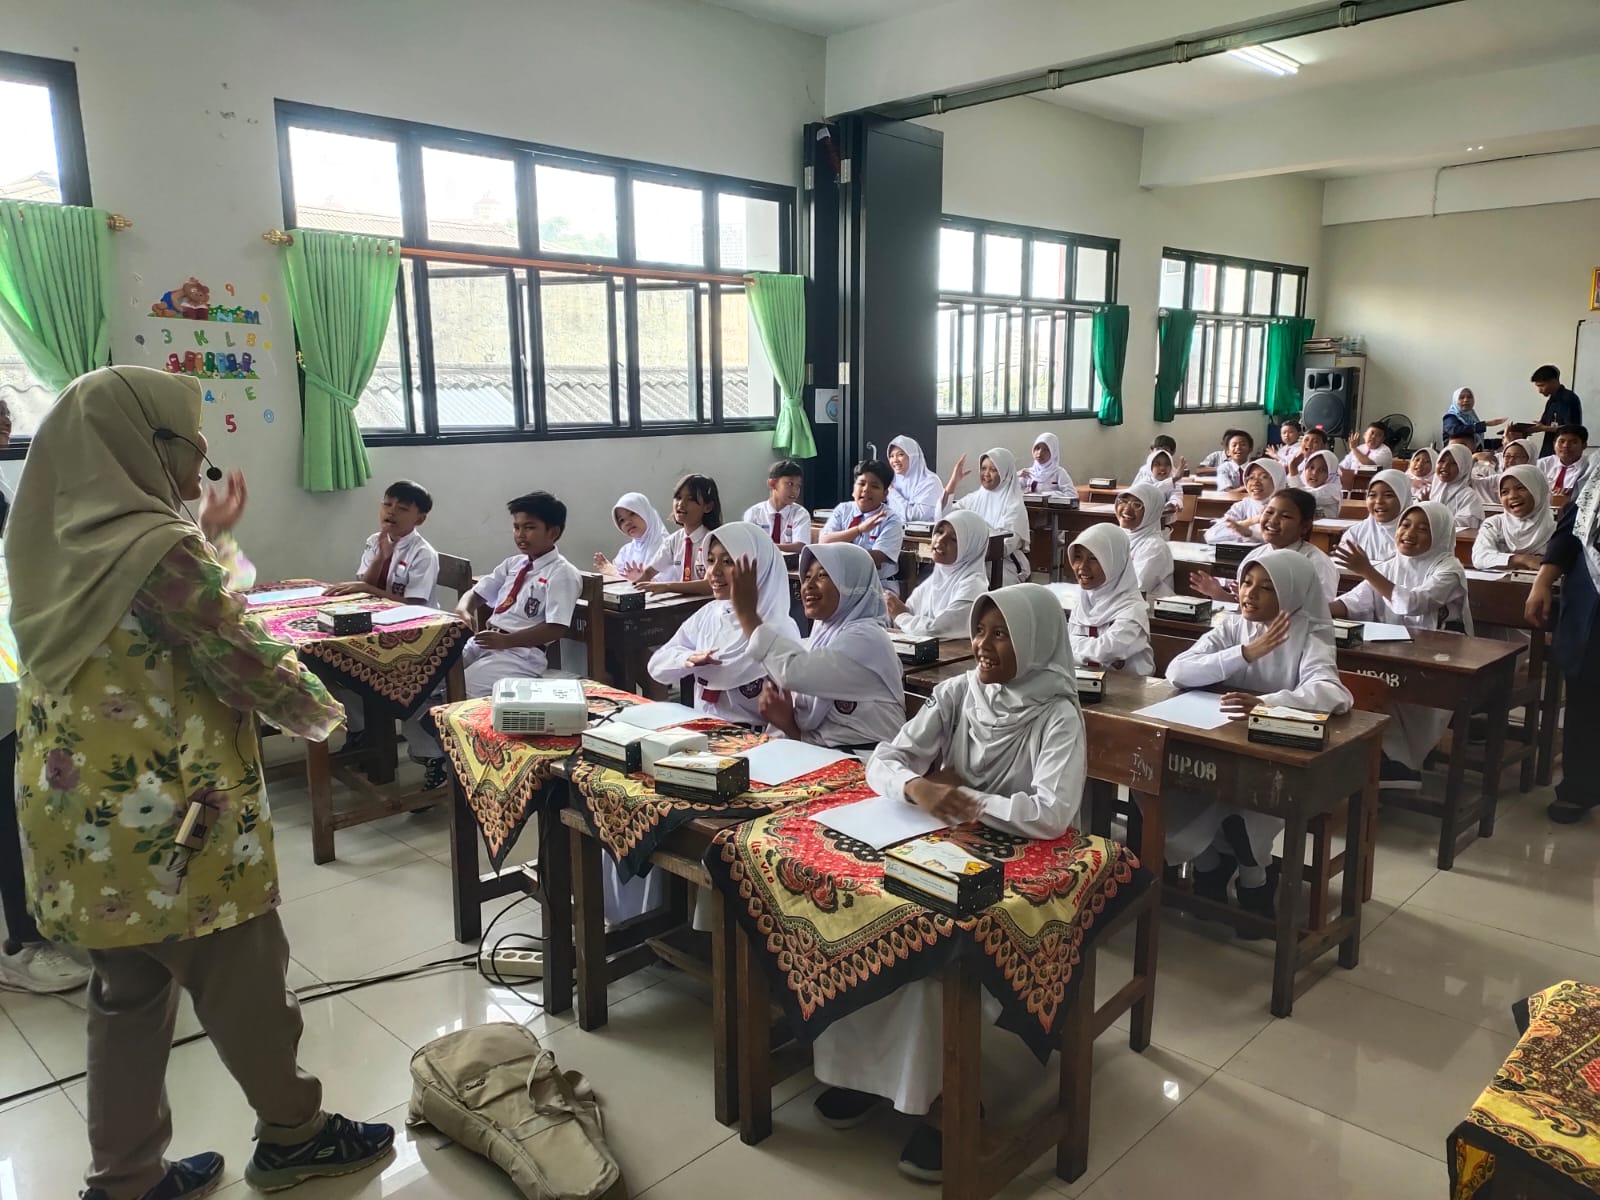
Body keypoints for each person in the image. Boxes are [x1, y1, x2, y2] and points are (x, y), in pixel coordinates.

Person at [7, 366, 393, 1198]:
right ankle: (296, 1135)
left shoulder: (52, 539)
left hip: (77, 821)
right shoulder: (156, 548)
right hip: (172, 823)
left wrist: (208, 535)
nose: (204, 464)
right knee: (247, 979)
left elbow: (165, 621)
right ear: (143, 446)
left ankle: (125, 1177)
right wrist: (332, 714)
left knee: (128, 992)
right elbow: (239, 652)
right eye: (193, 446)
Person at [812, 584, 1085, 1182]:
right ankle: (867, 1077)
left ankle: (948, 1101)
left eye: (1002, 633)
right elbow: (885, 758)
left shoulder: (1057, 712)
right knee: (864, 917)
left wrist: (962, 799)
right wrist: (918, 788)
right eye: (980, 631)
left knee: (934, 949)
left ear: (1035, 640)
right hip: (948, 837)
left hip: (1025, 860)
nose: (984, 646)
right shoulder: (958, 692)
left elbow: (1051, 812)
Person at [1164, 552, 1352, 929]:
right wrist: (1245, 653)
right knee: (1173, 785)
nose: (1250, 594)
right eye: (1247, 583)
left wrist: (1268, 703)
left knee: (1246, 814)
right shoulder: (1233, 626)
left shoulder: (1309, 633)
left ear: (1293, 595)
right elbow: (1177, 671)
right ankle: (1210, 867)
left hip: (1274, 753)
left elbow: (1331, 691)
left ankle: (1255, 880)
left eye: (1267, 588)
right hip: (1220, 741)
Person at [1333, 502, 1471, 790]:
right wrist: (1310, 608)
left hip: (1438, 663)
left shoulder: (1449, 568)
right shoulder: (1388, 565)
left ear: (1441, 533)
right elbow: (1350, 604)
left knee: (1383, 691)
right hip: (1390, 653)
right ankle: (1381, 759)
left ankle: (1400, 764)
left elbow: (1412, 604)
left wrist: (1367, 571)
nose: (1409, 533)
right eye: (1405, 525)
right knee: (1353, 683)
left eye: (1423, 528)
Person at [729, 542, 905, 748]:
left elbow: (792, 671)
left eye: (822, 575)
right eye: (807, 576)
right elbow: (825, 738)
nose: (808, 585)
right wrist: (788, 723)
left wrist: (747, 614)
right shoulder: (824, 633)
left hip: (870, 762)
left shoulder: (867, 638)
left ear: (851, 583)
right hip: (833, 757)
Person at [648, 523, 801, 725]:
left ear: (758, 567)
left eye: (728, 562)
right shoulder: (710, 614)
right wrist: (687, 658)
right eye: (711, 561)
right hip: (703, 734)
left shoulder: (779, 630)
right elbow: (657, 666)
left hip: (756, 742)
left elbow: (790, 716)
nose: (714, 572)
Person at [1526, 467, 1600, 822]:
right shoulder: (1596, 477)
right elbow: (1570, 530)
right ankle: (1580, 786)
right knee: (1585, 692)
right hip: (1591, 600)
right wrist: (1543, 580)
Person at [1194, 489, 1339, 603]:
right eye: (1269, 512)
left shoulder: (1317, 563)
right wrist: (1217, 593)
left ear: (1305, 526)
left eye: (1286, 516)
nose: (1273, 521)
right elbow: (1242, 609)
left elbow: (1321, 612)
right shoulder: (1255, 555)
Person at [323, 480, 438, 604]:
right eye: (387, 504)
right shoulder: (374, 540)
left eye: (402, 508)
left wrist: (368, 589)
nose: (391, 512)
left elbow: (415, 604)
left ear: (420, 519)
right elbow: (364, 587)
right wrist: (380, 559)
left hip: (419, 619)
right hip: (378, 611)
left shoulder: (423, 553)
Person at [885, 510, 991, 639]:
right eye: (939, 532)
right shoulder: (934, 580)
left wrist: (900, 616)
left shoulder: (973, 586)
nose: (940, 540)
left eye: (954, 539)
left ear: (969, 548)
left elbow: (936, 630)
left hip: (955, 656)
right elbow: (906, 615)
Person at [1065, 525, 1153, 675]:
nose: (1082, 567)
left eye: (1094, 558)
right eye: (1078, 557)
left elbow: (1103, 651)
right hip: (1086, 684)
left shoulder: (1133, 610)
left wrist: (1064, 645)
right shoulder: (1084, 603)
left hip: (1131, 692)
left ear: (1115, 563)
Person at [941, 448, 1031, 585]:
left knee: (969, 582)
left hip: (1003, 565)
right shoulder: (974, 498)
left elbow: (1005, 547)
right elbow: (945, 517)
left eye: (993, 470)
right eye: (983, 468)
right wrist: (953, 483)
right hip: (969, 561)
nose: (986, 474)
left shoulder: (1014, 505)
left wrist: (973, 540)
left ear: (1005, 473)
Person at [819, 459, 905, 587]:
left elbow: (876, 557)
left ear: (885, 494)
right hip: (841, 581)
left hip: (877, 584)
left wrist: (837, 557)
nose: (866, 490)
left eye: (874, 486)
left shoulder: (891, 519)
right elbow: (824, 542)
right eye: (861, 484)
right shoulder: (843, 510)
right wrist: (858, 530)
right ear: (854, 489)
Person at [638, 474, 720, 596]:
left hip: (708, 606)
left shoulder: (714, 541)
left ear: (708, 507)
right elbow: (649, 572)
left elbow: (710, 585)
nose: (681, 504)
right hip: (682, 605)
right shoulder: (673, 541)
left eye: (691, 499)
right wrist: (632, 590)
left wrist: (668, 586)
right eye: (678, 497)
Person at [1473, 466, 1556, 572]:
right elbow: (1479, 557)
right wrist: (1522, 559)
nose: (1512, 496)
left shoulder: (1557, 529)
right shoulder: (1495, 523)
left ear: (1538, 490)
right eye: (1504, 492)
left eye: (1521, 488)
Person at [1338, 469, 1412, 569]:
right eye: (1372, 495)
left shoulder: (1413, 536)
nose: (1379, 501)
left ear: (1403, 498)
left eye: (1388, 495)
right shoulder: (1355, 533)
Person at [1204, 459, 1284, 545]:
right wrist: (1249, 522)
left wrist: (1249, 533)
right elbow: (1211, 535)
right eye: (1251, 477)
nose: (1255, 482)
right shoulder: (1242, 505)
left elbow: (1279, 539)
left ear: (1277, 479)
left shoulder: (1285, 508)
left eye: (1263, 477)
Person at [1115, 483, 1175, 596]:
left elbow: (1136, 588)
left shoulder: (1155, 547)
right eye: (1123, 501)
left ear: (1151, 512)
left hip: (1147, 609)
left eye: (1137, 505)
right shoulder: (1114, 537)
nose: (1127, 509)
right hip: (1115, 604)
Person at [594, 491, 668, 582]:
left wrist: (644, 580)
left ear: (646, 512)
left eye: (632, 514)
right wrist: (610, 572)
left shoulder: (668, 547)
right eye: (622, 520)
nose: (627, 523)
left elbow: (673, 583)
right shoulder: (626, 551)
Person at [742, 460, 812, 552]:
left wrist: (767, 547)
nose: (795, 491)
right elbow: (749, 545)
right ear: (772, 484)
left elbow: (800, 546)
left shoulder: (800, 514)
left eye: (798, 486)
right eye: (790, 484)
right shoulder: (754, 513)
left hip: (789, 564)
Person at [886, 436, 943, 524]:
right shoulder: (893, 481)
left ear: (913, 457)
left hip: (921, 536)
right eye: (891, 456)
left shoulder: (930, 481)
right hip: (894, 531)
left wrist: (893, 492)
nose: (895, 460)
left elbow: (915, 517)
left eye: (900, 454)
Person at [1531, 365, 1583, 459]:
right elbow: (1544, 423)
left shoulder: (1568, 398)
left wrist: (1544, 428)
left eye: (1542, 385)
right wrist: (1527, 429)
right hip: (1549, 448)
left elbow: (1571, 428)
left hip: (1565, 450)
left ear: (1554, 381)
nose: (1539, 390)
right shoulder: (1551, 400)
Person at [1433, 443, 1486, 530]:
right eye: (1442, 461)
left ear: (1464, 467)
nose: (1445, 466)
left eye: (1454, 463)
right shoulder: (1432, 490)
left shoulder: (1468, 495)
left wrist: (1433, 522)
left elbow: (1467, 525)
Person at [1539, 424, 1592, 500]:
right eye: (1562, 441)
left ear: (1584, 445)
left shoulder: (1590, 467)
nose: (1566, 446)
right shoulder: (1543, 464)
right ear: (1554, 444)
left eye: (1573, 442)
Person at [1018, 431, 1074, 495]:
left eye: (1046, 449)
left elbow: (1071, 494)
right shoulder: (1027, 473)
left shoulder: (1059, 473)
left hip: (1052, 505)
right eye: (1037, 448)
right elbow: (1012, 492)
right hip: (1029, 505)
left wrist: (1044, 495)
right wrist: (1016, 476)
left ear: (1053, 452)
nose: (1040, 453)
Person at [1301, 449, 1343, 518]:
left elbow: (1303, 498)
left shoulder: (1333, 490)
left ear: (1331, 473)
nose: (1314, 473)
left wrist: (1293, 472)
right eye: (1311, 467)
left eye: (1322, 470)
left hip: (1327, 528)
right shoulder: (1304, 487)